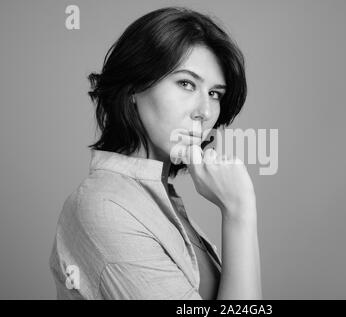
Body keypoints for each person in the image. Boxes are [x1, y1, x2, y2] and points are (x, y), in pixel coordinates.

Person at [49, 6, 262, 300]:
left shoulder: (155, 200)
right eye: (186, 83)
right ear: (135, 86)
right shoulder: (104, 210)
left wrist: (239, 211)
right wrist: (239, 211)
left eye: (215, 94)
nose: (205, 111)